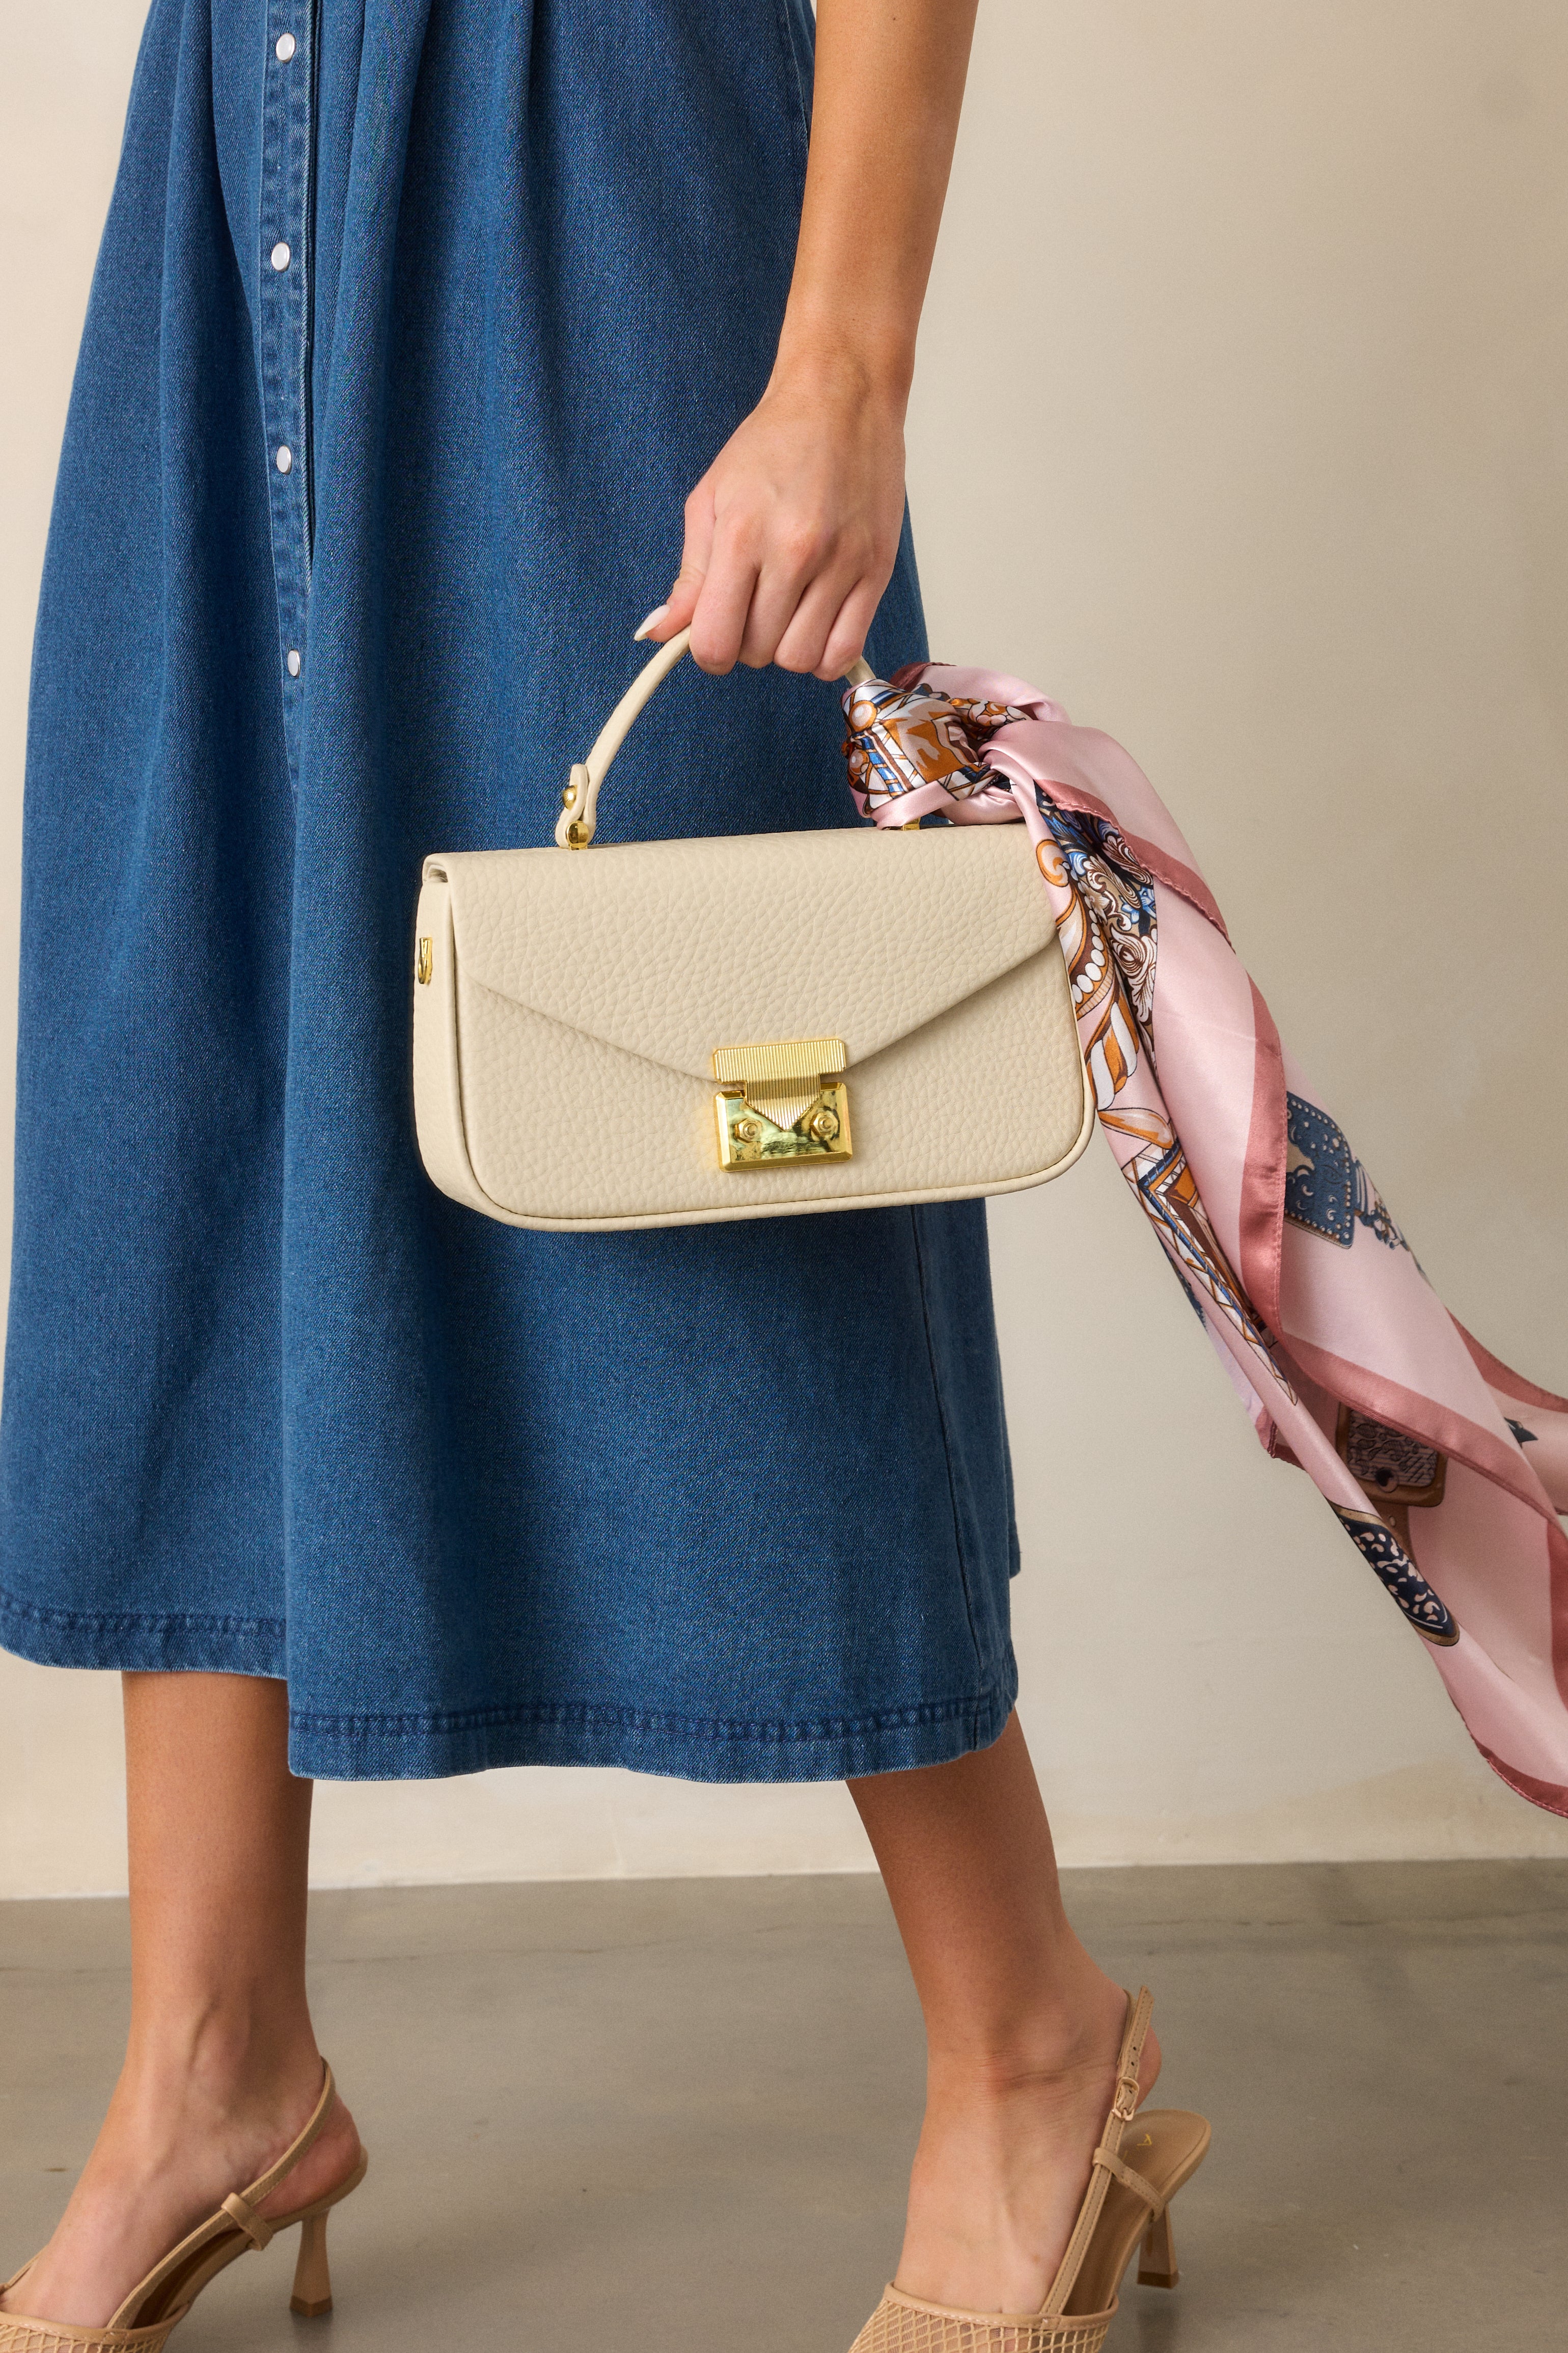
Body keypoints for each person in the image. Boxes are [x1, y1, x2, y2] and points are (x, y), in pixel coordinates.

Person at [0, 5, 1203, 2347]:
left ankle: (1035, 2043)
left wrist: (840, 366)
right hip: (238, 179)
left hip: (592, 185)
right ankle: (211, 2064)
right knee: (204, 1065)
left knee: (715, 1112)